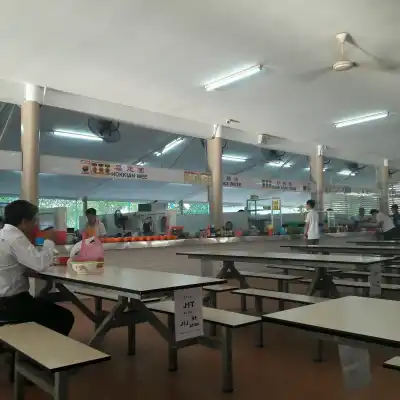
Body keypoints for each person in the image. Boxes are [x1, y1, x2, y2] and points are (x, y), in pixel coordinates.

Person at [0, 200, 74, 335]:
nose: (36, 225)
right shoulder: (15, 238)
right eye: (34, 221)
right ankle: (45, 352)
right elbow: (40, 265)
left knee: (42, 305)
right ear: (23, 222)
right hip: (11, 304)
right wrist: (49, 241)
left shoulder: (3, 235)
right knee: (65, 317)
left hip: (5, 301)